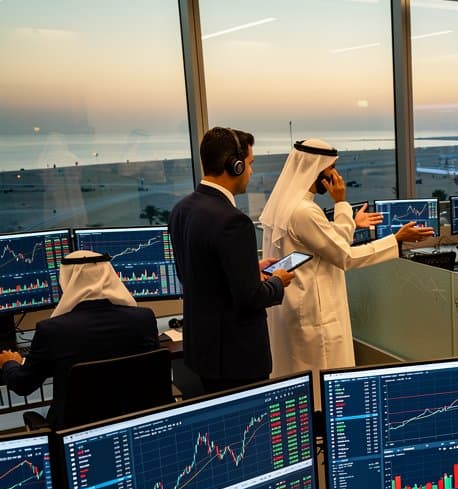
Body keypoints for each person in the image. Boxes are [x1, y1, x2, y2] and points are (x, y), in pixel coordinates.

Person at [259, 138, 434, 404]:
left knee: (303, 389)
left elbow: (323, 242)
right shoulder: (304, 211)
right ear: (317, 170)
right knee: (322, 393)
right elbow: (344, 256)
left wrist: (351, 220)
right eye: (331, 168)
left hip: (297, 310)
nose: (336, 175)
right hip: (316, 315)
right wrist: (394, 239)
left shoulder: (287, 204)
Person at [169, 126, 295, 394]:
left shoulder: (182, 209)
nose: (251, 171)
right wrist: (278, 281)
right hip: (235, 360)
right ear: (234, 166)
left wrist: (249, 268)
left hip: (200, 352)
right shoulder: (233, 221)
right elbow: (250, 297)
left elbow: (195, 273)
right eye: (249, 163)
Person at [0, 250, 159, 428]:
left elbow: (23, 385)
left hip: (75, 432)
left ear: (67, 281)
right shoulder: (144, 318)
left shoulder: (52, 330)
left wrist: (9, 363)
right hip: (137, 422)